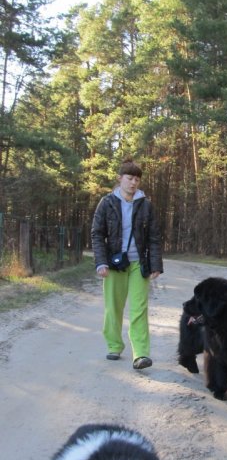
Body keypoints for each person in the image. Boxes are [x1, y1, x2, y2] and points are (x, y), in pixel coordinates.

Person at [91, 158, 163, 370]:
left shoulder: (146, 205)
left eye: (137, 179)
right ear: (120, 178)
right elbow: (97, 234)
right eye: (130, 178)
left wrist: (155, 263)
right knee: (113, 308)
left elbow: (154, 237)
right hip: (114, 264)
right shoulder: (106, 203)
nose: (133, 183)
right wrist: (101, 262)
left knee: (139, 309)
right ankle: (114, 345)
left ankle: (140, 354)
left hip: (138, 264)